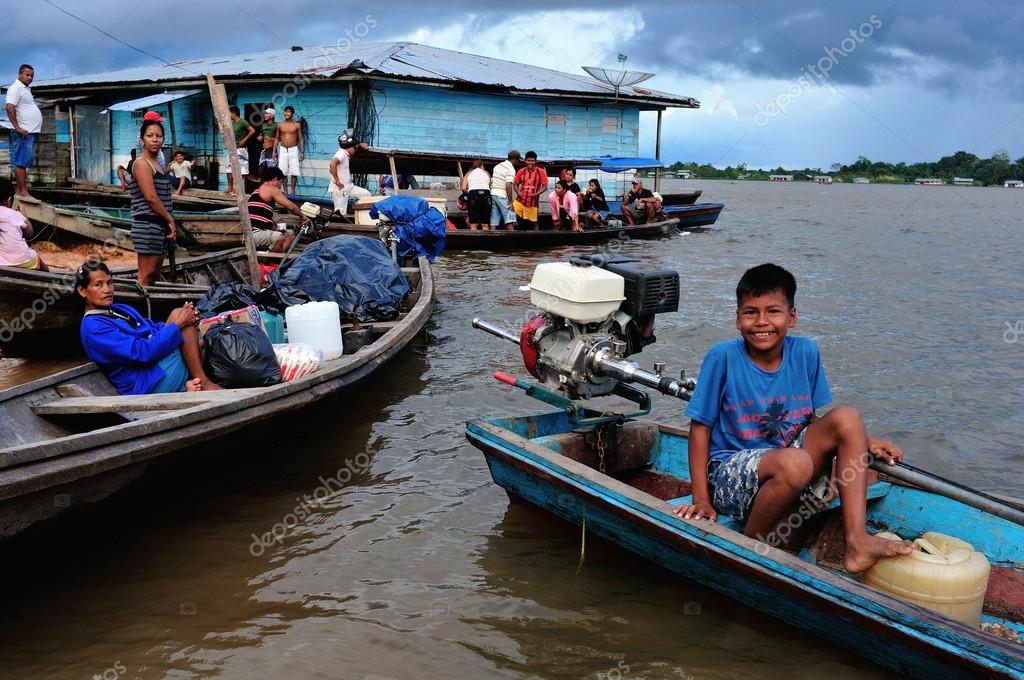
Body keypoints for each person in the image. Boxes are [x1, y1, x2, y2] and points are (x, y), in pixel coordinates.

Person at [672, 263, 914, 574]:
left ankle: (856, 541)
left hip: (788, 463)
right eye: (750, 312)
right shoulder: (723, 358)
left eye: (773, 312)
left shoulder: (806, 353)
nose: (762, 322)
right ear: (737, 319)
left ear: (792, 317)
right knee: (796, 463)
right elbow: (700, 429)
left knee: (847, 418)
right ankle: (750, 546)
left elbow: (808, 420)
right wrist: (701, 498)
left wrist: (860, 443)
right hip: (730, 475)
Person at [76, 261, 220, 395]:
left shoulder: (120, 309)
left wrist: (184, 328)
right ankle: (204, 382)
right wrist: (180, 325)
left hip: (154, 367)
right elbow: (141, 353)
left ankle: (188, 383)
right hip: (147, 384)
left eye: (109, 283)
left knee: (179, 315)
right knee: (185, 326)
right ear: (82, 291)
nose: (107, 289)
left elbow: (153, 328)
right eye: (98, 285)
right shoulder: (93, 328)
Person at [130, 116, 176, 286]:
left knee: (154, 277)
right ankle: (138, 311)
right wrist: (170, 219)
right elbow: (151, 197)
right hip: (147, 226)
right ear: (142, 140)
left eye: (159, 136)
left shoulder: (158, 163)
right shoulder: (142, 164)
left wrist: (167, 222)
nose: (155, 140)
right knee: (146, 277)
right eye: (150, 136)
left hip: (158, 226)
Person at [247, 165, 307, 253]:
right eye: (280, 182)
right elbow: (291, 207)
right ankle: (272, 261)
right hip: (254, 234)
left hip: (260, 231)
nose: (280, 187)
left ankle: (277, 259)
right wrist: (303, 216)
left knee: (290, 235)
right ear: (275, 178)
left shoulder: (258, 191)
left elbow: (269, 224)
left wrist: (294, 229)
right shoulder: (271, 189)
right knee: (278, 237)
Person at [5, 64, 43, 197]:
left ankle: (22, 191)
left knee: (24, 162)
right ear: (20, 74)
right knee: (20, 161)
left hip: (29, 131)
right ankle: (22, 191)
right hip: (23, 132)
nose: (30, 77)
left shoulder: (25, 89)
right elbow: (9, 107)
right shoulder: (15, 88)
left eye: (32, 75)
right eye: (27, 75)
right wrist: (17, 127)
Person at [0, 177, 47, 270]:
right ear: (9, 200)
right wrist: (24, 216)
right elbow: (30, 233)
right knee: (39, 261)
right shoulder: (14, 215)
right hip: (22, 261)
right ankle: (50, 279)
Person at [328, 129, 371, 215]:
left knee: (366, 194)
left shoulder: (346, 154)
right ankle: (336, 227)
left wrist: (359, 144)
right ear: (349, 147)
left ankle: (362, 216)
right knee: (340, 213)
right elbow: (332, 164)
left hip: (348, 187)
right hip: (339, 189)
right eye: (354, 148)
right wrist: (337, 181)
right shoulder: (341, 153)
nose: (355, 150)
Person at [512, 151, 548, 231]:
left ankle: (536, 239)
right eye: (528, 160)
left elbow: (545, 187)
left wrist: (537, 193)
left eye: (532, 161)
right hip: (520, 201)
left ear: (535, 161)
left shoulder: (541, 171)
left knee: (534, 222)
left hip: (533, 203)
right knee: (510, 215)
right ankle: (510, 235)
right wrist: (518, 193)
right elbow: (515, 184)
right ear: (525, 160)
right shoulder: (521, 171)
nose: (530, 163)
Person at [226, 105, 256, 195]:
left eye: (229, 113)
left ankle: (238, 189)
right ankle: (230, 188)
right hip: (232, 149)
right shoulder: (231, 123)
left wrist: (244, 140)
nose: (228, 115)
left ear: (234, 112)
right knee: (228, 169)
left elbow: (252, 131)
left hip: (241, 149)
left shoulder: (242, 122)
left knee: (241, 169)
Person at [274, 105, 304, 194]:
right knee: (283, 172)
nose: (286, 113)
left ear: (292, 113)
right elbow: (276, 138)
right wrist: (273, 151)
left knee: (294, 171)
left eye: (288, 111)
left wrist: (302, 151)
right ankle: (286, 192)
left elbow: (301, 138)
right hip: (283, 149)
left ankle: (293, 192)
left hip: (293, 149)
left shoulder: (297, 125)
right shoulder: (280, 125)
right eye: (285, 111)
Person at [489, 150, 520, 230]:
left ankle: (492, 239)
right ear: (515, 159)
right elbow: (508, 186)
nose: (518, 162)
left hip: (493, 194)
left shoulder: (497, 166)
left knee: (494, 220)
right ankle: (513, 239)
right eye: (518, 160)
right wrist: (510, 202)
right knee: (509, 219)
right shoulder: (511, 169)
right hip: (502, 195)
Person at [460, 160, 492, 231]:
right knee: (485, 223)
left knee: (473, 224)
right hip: (486, 195)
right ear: (482, 166)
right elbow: (489, 185)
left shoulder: (468, 173)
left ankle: (473, 240)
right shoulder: (486, 173)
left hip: (473, 195)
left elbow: (463, 188)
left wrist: (469, 193)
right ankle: (486, 240)